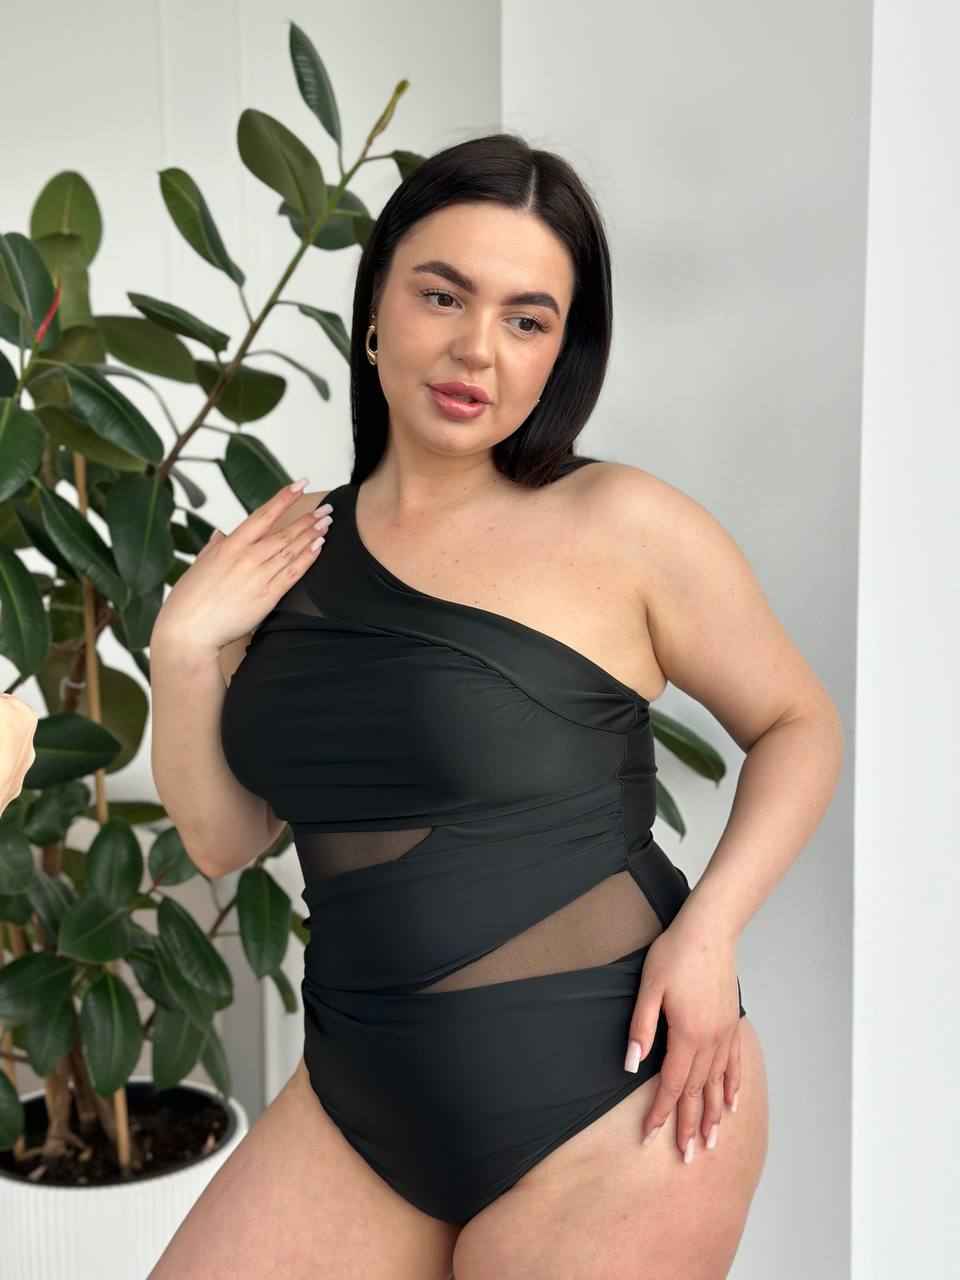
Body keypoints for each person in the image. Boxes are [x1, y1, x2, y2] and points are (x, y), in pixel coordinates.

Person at [150, 132, 843, 1279]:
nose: (477, 346)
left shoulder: (623, 524)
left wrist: (710, 929)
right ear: (376, 309)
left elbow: (798, 724)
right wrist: (183, 646)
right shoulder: (288, 556)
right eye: (443, 295)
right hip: (361, 1096)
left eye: (527, 318)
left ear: (561, 351)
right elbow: (227, 839)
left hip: (621, 1097)